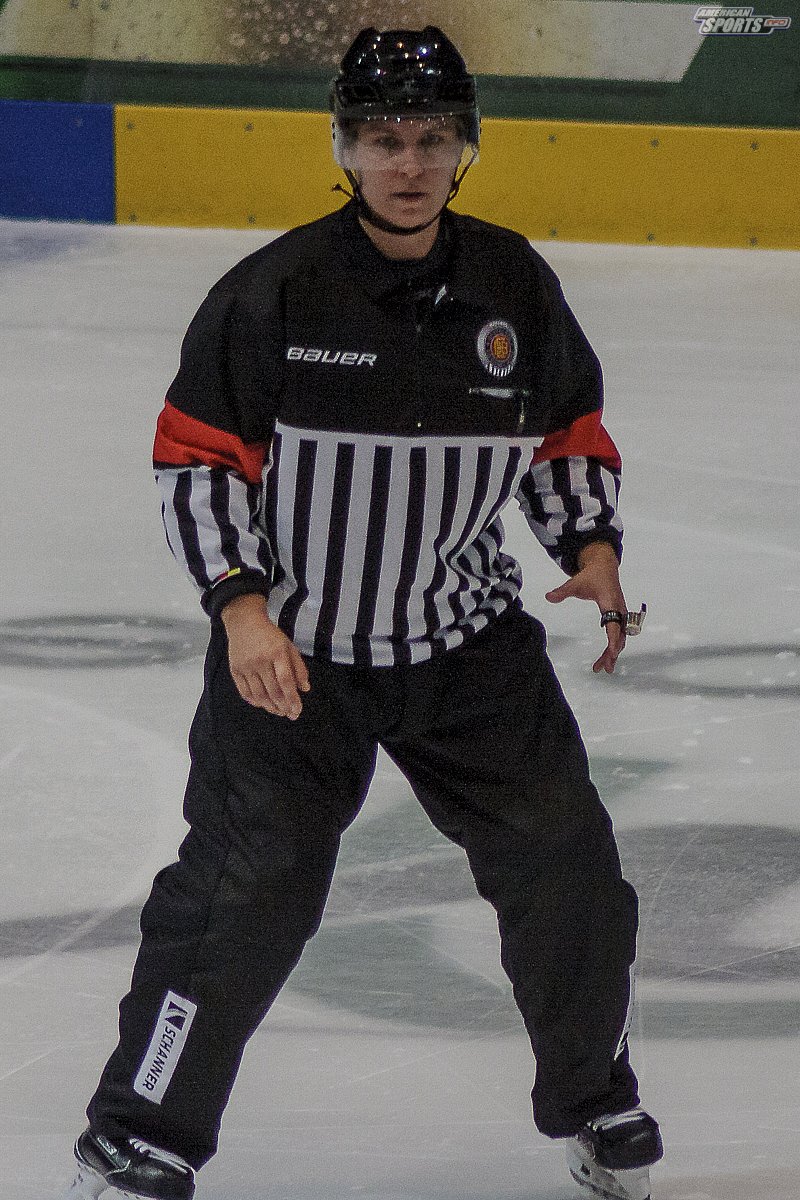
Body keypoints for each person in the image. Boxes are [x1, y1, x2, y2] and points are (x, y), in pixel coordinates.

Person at [63, 26, 663, 1200]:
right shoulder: (276, 290)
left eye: (431, 138)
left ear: (464, 147)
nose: (408, 162)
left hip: (464, 651)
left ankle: (598, 1102)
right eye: (383, 139)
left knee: (568, 872)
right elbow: (196, 461)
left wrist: (588, 545)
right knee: (242, 896)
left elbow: (564, 434)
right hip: (294, 660)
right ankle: (138, 1134)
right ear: (343, 148)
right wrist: (240, 609)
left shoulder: (511, 283)